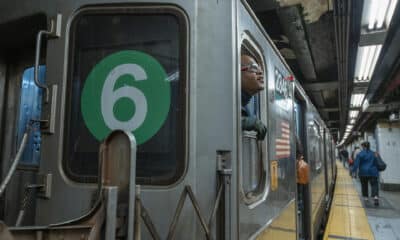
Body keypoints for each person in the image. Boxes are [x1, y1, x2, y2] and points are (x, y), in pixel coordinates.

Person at [241, 50, 267, 140]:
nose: (260, 72)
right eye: (254, 68)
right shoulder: (223, 101)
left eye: (260, 69)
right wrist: (242, 122)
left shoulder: (245, 105)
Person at [351, 141, 380, 206]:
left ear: (363, 146)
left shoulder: (360, 154)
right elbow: (377, 162)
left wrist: (352, 171)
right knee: (374, 185)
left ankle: (366, 198)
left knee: (364, 185)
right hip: (373, 172)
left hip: (363, 172)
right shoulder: (374, 153)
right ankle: (375, 197)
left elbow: (356, 164)